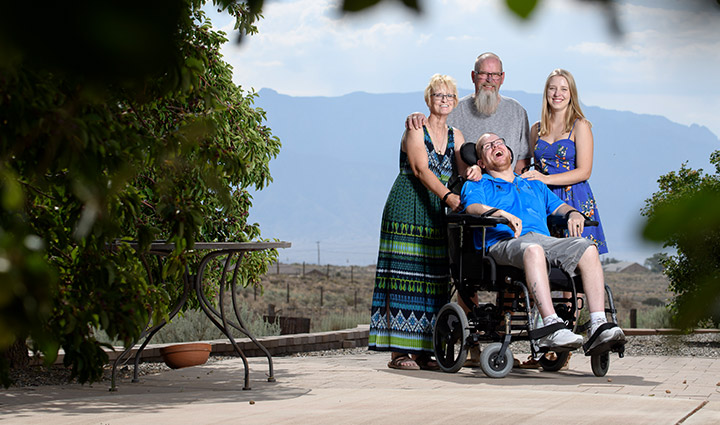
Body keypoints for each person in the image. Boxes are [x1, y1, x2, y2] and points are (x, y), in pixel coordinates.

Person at [460, 133, 625, 353]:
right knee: (533, 250)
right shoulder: (479, 182)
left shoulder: (533, 184)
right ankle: (549, 327)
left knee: (587, 248)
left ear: (509, 152)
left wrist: (574, 213)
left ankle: (597, 325)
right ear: (480, 162)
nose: (495, 146)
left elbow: (559, 208)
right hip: (504, 242)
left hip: (542, 240)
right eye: (487, 146)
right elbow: (472, 208)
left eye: (499, 143)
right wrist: (501, 214)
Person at [369, 74, 466, 370]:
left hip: (437, 213)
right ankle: (399, 352)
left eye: (449, 96)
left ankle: (426, 350)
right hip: (408, 206)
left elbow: (463, 169)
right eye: (438, 95)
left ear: (455, 101)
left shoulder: (456, 136)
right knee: (403, 276)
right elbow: (421, 170)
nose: (444, 100)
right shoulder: (415, 128)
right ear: (429, 99)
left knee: (434, 279)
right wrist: (449, 197)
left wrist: (473, 171)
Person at [521, 69, 608, 254]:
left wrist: (546, 179)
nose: (557, 94)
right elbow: (534, 167)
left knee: (580, 259)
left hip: (574, 197)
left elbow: (585, 171)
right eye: (552, 88)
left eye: (563, 89)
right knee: (546, 258)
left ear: (571, 94)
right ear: (546, 93)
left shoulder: (580, 126)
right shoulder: (536, 129)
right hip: (544, 199)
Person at [406, 52, 530, 175]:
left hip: (507, 190)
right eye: (483, 73)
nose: (489, 79)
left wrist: (511, 190)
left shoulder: (517, 111)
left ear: (502, 78)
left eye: (495, 74)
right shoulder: (454, 109)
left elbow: (522, 161)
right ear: (473, 76)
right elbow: (432, 129)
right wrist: (417, 116)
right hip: (461, 190)